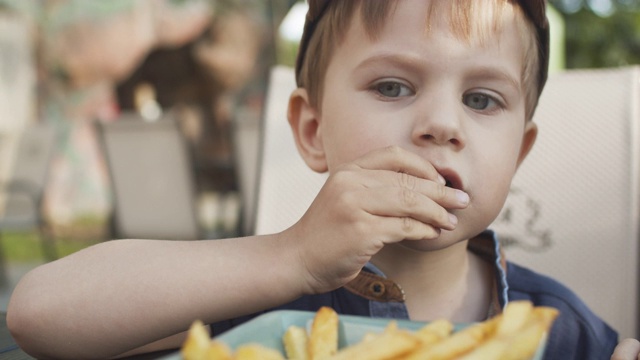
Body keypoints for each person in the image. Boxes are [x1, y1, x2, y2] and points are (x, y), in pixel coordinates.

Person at [6, 0, 638, 359]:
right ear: (312, 131)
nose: (442, 124)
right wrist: (289, 257)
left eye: (482, 99)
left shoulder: (558, 330)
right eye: (393, 86)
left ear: (520, 154)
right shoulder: (264, 293)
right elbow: (37, 317)